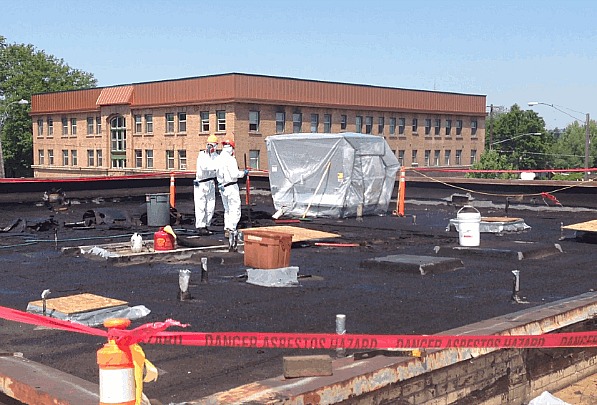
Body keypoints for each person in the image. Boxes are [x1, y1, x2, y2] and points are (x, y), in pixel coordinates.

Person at [215, 139, 248, 250]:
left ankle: (227, 227)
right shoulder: (230, 159)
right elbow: (234, 174)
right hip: (231, 186)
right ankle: (232, 229)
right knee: (235, 208)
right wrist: (243, 173)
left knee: (227, 209)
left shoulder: (219, 158)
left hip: (222, 187)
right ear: (232, 149)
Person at [193, 134, 219, 235]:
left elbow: (219, 168)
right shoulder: (202, 155)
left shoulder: (217, 156)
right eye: (209, 145)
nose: (211, 147)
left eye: (213, 145)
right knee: (200, 206)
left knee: (211, 206)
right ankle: (200, 226)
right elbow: (205, 167)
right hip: (201, 183)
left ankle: (207, 225)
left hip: (211, 183)